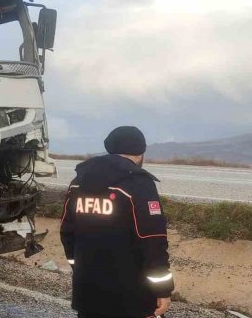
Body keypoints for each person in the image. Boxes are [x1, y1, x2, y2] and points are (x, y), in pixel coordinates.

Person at [60, 126, 174, 318]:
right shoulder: (139, 184)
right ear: (141, 152)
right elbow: (151, 241)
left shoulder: (78, 182)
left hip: (88, 291)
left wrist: (80, 267)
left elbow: (67, 233)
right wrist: (162, 289)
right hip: (132, 298)